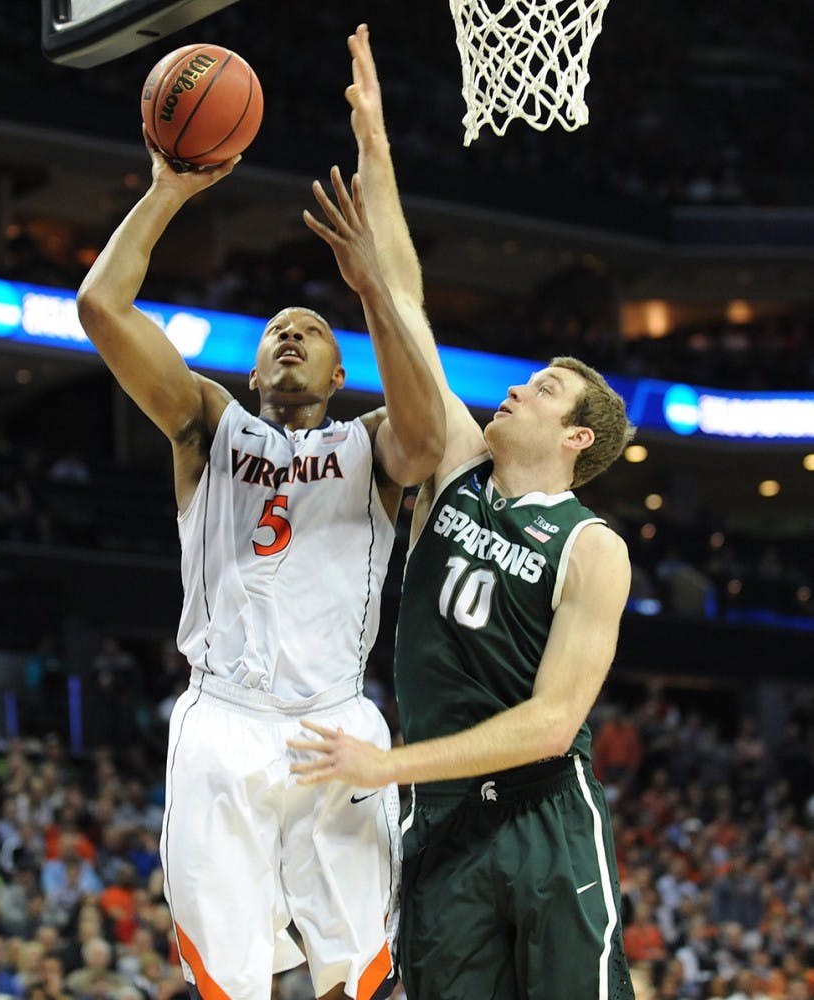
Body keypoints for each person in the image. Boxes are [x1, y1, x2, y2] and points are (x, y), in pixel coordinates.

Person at [288, 24, 636, 999]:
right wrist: (376, 143)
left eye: (546, 389)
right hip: (442, 825)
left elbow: (550, 720)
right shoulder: (455, 465)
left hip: (541, 816)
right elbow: (404, 297)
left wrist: (389, 761)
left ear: (578, 439)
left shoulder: (592, 549)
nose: (522, 389)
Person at [76, 127, 445, 1000]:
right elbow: (100, 308)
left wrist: (371, 291)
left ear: (339, 365)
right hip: (223, 721)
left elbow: (428, 437)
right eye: (277, 331)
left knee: (356, 979)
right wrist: (168, 191)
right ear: (252, 365)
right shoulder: (208, 424)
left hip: (334, 726)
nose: (290, 337)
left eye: (309, 332)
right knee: (230, 981)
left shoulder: (371, 446)